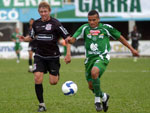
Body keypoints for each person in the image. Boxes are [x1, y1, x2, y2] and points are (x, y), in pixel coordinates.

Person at [65, 10, 139, 112]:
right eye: (89, 20)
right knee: (91, 86)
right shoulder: (84, 28)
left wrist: (132, 49)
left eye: (94, 20)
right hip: (89, 60)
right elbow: (73, 40)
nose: (91, 22)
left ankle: (97, 101)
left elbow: (120, 38)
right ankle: (104, 97)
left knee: (94, 72)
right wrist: (69, 42)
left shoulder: (106, 28)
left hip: (102, 57)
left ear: (98, 19)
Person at [18, 1, 71, 112]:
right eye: (41, 12)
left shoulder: (56, 23)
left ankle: (56, 73)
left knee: (53, 82)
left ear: (49, 11)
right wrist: (24, 38)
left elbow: (67, 38)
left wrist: (68, 54)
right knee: (37, 77)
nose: (43, 14)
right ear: (39, 12)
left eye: (45, 11)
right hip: (39, 55)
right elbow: (31, 37)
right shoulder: (36, 24)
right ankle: (42, 104)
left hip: (53, 57)